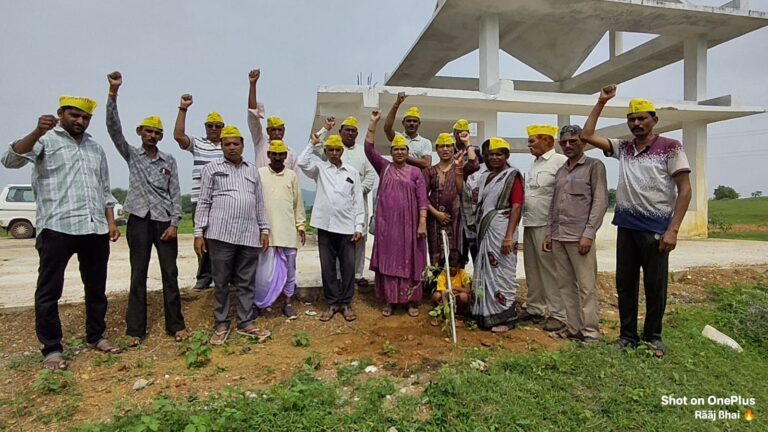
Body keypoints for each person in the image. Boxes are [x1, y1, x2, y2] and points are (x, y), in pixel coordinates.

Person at [2, 95, 121, 370]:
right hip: (57, 227)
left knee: (96, 288)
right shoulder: (44, 140)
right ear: (61, 114)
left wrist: (110, 222)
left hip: (93, 228)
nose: (80, 121)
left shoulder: (95, 148)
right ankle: (52, 348)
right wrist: (36, 132)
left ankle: (96, 336)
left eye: (85, 117)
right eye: (74, 115)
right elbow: (10, 160)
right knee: (49, 290)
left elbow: (104, 189)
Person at [581, 85, 692, 358]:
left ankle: (653, 337)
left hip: (656, 229)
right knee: (625, 284)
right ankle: (627, 336)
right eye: (632, 119)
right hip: (627, 226)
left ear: (654, 120)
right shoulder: (625, 148)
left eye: (642, 118)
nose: (636, 123)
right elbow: (587, 135)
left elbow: (685, 190)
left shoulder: (670, 148)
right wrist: (601, 101)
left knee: (655, 286)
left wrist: (673, 230)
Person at [105, 72, 187, 346]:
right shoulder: (132, 155)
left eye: (157, 133)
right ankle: (135, 331)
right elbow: (114, 129)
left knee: (170, 274)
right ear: (140, 133)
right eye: (148, 131)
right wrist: (113, 94)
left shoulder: (169, 160)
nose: (153, 136)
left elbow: (175, 192)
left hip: (164, 223)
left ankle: (175, 325)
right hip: (139, 220)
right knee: (137, 274)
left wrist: (175, 223)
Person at [194, 125, 271, 346]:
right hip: (220, 234)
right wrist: (199, 232)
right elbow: (204, 201)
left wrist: (264, 229)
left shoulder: (252, 170)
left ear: (242, 145)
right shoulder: (211, 168)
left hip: (248, 234)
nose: (231, 148)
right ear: (222, 146)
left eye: (235, 143)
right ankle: (221, 323)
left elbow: (259, 203)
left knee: (246, 281)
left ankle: (246, 322)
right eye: (227, 144)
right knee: (221, 281)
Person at [543, 125, 608, 344]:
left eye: (573, 141)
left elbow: (599, 202)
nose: (568, 146)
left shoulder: (594, 166)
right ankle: (573, 328)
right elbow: (554, 204)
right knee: (565, 284)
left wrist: (588, 234)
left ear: (584, 143)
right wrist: (550, 234)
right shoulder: (561, 170)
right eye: (564, 142)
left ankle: (590, 333)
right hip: (559, 237)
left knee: (586, 287)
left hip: (580, 238)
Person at [365, 111, 428, 317]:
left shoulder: (416, 172)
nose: (399, 152)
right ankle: (390, 301)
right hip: (388, 227)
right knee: (389, 261)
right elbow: (368, 148)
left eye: (403, 149)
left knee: (411, 260)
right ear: (391, 152)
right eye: (396, 149)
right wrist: (373, 123)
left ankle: (411, 301)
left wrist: (421, 224)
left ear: (407, 152)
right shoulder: (384, 167)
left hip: (410, 226)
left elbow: (422, 200)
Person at [298, 134, 364, 322]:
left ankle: (346, 303)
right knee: (327, 267)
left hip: (347, 227)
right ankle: (332, 303)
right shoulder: (319, 169)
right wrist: (312, 143)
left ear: (342, 151)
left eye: (337, 150)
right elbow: (302, 162)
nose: (334, 153)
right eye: (330, 150)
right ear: (325, 152)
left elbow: (358, 200)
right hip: (325, 226)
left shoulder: (351, 172)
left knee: (348, 266)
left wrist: (358, 225)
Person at [314, 116, 376, 288]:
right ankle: (338, 276)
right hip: (335, 210)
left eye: (353, 130)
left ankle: (357, 274)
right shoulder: (332, 150)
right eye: (346, 130)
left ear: (357, 133)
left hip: (356, 204)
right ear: (340, 132)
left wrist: (356, 190)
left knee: (358, 240)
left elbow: (371, 175)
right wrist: (325, 129)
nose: (350, 133)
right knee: (337, 242)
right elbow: (315, 145)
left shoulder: (363, 152)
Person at [471, 138, 524, 333]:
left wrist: (509, 235)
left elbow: (517, 206)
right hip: (487, 231)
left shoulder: (512, 176)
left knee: (503, 273)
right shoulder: (486, 177)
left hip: (503, 231)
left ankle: (506, 316)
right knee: (486, 271)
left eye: (498, 154)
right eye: (491, 154)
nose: (494, 157)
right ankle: (485, 314)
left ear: (506, 156)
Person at [519, 125, 568, 332]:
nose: (529, 145)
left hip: (547, 226)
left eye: (532, 141)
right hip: (530, 223)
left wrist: (554, 229)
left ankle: (558, 314)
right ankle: (535, 308)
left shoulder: (560, 162)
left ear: (547, 140)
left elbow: (563, 196)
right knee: (532, 269)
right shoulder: (535, 164)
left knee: (549, 270)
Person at [173, 93, 224, 290]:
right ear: (205, 127)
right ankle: (203, 277)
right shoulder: (198, 144)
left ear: (222, 128)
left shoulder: (228, 146)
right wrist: (183, 109)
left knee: (221, 241)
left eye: (217, 126)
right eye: (210, 126)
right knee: (201, 239)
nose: (214, 129)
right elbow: (178, 136)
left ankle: (222, 276)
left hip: (221, 201)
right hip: (200, 200)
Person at [253, 140, 306, 319]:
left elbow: (298, 203)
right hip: (266, 234)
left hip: (287, 232)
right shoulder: (259, 174)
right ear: (268, 155)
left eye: (281, 154)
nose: (277, 157)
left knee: (290, 271)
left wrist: (301, 225)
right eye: (274, 154)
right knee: (263, 274)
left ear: (285, 156)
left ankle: (288, 302)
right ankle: (262, 303)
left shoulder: (291, 175)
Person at [425, 133, 473, 265]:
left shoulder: (459, 167)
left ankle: (457, 283)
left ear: (453, 148)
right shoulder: (429, 171)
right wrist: (436, 213)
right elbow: (422, 196)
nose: (445, 149)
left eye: (448, 146)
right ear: (437, 149)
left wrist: (467, 142)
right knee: (436, 254)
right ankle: (437, 284)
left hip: (456, 219)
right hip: (434, 218)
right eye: (441, 146)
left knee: (456, 252)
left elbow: (474, 164)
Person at [247, 69, 298, 170]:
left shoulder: (291, 153)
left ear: (284, 131)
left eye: (279, 130)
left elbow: (294, 180)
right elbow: (253, 114)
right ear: (267, 131)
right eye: (273, 130)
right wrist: (253, 84)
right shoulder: (260, 142)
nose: (277, 133)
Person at [461, 139, 491, 265]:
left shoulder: (486, 173)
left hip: (481, 223)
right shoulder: (462, 172)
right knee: (462, 257)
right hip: (464, 222)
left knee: (481, 257)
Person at [383, 92, 433, 169]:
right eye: (409, 121)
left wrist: (404, 157)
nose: (412, 123)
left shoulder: (425, 142)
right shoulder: (397, 138)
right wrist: (397, 104)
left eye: (414, 121)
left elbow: (426, 163)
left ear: (419, 124)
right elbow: (387, 128)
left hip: (417, 179)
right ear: (403, 123)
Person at [432, 249, 473, 325]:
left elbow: (468, 290)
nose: (453, 269)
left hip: (457, 299)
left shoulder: (462, 274)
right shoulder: (443, 274)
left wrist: (454, 288)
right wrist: (447, 312)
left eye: (455, 266)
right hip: (446, 299)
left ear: (460, 265)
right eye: (451, 266)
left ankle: (459, 315)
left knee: (464, 296)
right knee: (436, 295)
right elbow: (443, 293)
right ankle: (442, 315)